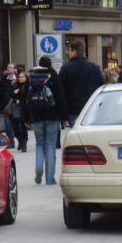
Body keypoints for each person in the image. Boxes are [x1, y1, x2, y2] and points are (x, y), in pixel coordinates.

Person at [24, 56, 69, 185]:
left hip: (37, 117)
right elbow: (61, 97)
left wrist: (27, 118)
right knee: (50, 145)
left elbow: (25, 99)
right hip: (53, 116)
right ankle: (50, 179)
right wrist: (64, 118)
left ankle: (38, 169)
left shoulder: (32, 77)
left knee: (39, 144)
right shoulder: (54, 76)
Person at [59, 40, 104, 127]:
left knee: (77, 135)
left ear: (74, 52)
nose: (68, 53)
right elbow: (101, 87)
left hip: (73, 109)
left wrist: (63, 114)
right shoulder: (94, 67)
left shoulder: (65, 69)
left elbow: (61, 92)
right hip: (91, 108)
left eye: (69, 51)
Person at [0, 63, 17, 148]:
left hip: (15, 106)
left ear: (14, 69)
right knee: (8, 125)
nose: (9, 69)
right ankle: (11, 142)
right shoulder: (4, 79)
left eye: (11, 67)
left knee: (17, 125)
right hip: (6, 107)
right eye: (8, 67)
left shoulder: (19, 78)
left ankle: (22, 142)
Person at [10, 72, 29, 152]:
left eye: (22, 77)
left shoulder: (28, 86)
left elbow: (27, 95)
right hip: (16, 109)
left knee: (23, 126)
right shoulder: (14, 85)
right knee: (15, 127)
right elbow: (9, 95)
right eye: (19, 77)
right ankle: (20, 141)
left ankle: (24, 144)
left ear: (26, 78)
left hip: (25, 109)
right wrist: (15, 99)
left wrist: (19, 91)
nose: (20, 78)